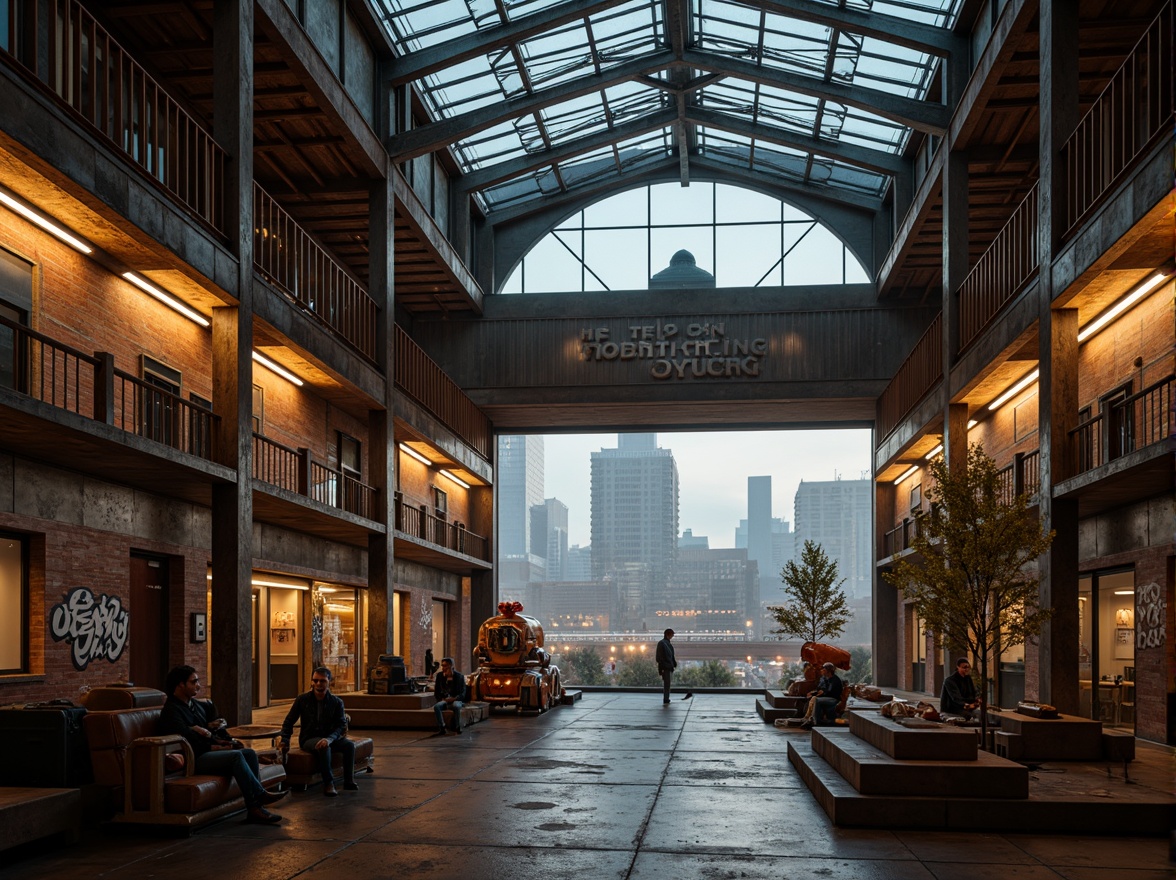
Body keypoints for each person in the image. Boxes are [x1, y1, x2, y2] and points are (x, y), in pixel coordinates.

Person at [159, 665, 287, 824]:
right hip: (194, 758)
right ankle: (258, 796)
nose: (198, 685)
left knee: (249, 753)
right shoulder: (171, 711)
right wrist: (214, 744)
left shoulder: (197, 705)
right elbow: (187, 739)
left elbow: (209, 730)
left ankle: (255, 808)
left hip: (208, 752)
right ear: (180, 685)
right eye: (194, 682)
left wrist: (218, 733)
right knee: (236, 756)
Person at [279, 666, 358, 796]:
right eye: (315, 681)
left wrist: (330, 738)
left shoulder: (336, 702)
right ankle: (329, 783)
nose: (318, 684)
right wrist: (285, 739)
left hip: (329, 737)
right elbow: (289, 721)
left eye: (322, 681)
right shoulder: (302, 700)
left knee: (349, 745)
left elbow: (340, 725)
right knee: (323, 746)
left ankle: (349, 780)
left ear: (329, 682)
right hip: (309, 738)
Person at [654, 628, 692, 703]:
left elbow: (660, 657)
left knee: (667, 683)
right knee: (667, 683)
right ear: (668, 635)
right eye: (672, 635)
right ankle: (666, 699)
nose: (672, 636)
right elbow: (662, 657)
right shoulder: (664, 644)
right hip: (667, 666)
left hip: (666, 666)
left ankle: (666, 698)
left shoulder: (663, 643)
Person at [433, 657, 467, 734]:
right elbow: (437, 691)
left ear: (451, 666)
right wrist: (441, 699)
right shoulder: (440, 676)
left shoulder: (459, 676)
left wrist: (454, 698)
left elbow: (463, 693)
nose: (443, 668)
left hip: (456, 699)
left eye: (445, 666)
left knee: (456, 706)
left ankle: (458, 727)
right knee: (437, 706)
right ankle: (442, 727)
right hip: (445, 699)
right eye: (442, 666)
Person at [805, 662, 844, 727]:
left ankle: (816, 720)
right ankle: (808, 717)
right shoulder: (824, 678)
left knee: (817, 700)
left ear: (828, 671)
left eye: (824, 670)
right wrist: (813, 693)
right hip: (826, 697)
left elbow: (830, 692)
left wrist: (822, 693)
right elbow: (819, 688)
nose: (822, 671)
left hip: (833, 699)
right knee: (813, 698)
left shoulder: (835, 680)